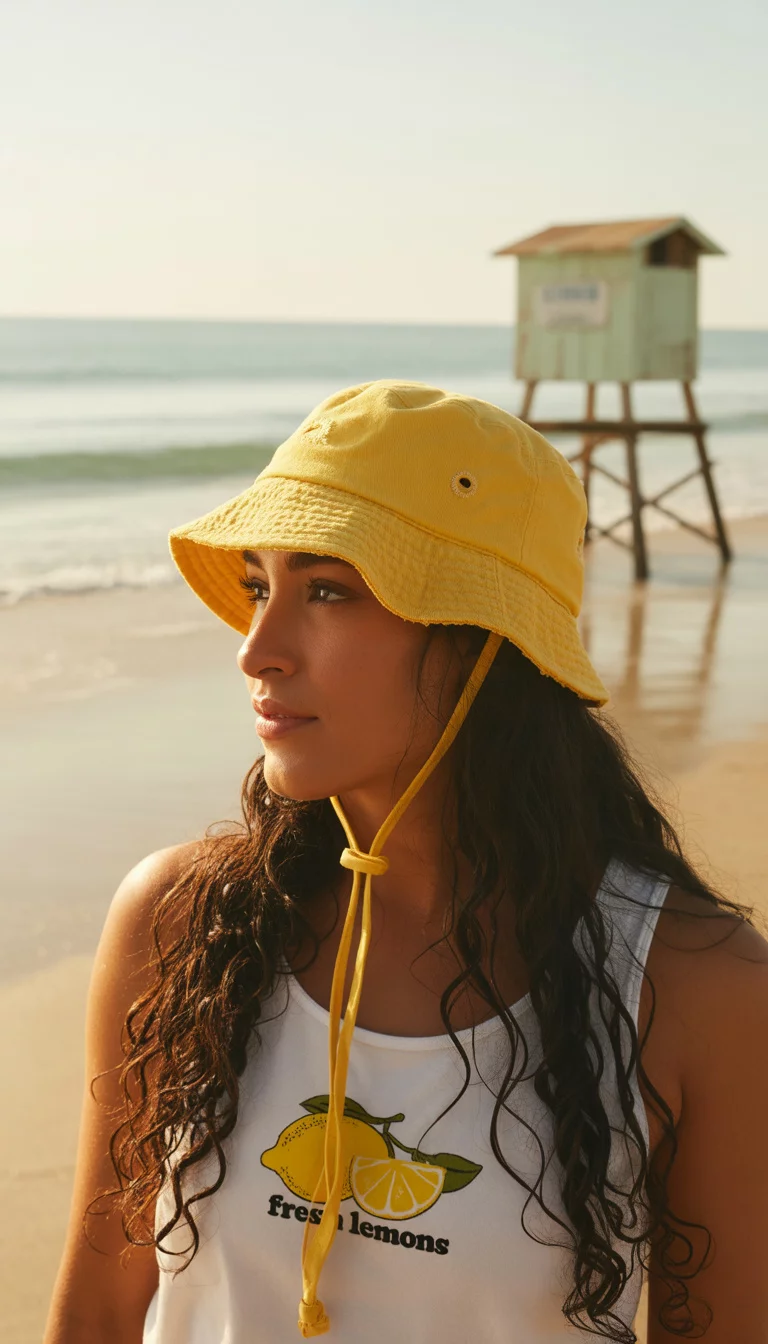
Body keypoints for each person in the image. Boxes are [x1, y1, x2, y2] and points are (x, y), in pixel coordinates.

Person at [45, 381, 768, 1344]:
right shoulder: (183, 922)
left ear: (484, 643)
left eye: (328, 592)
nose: (257, 651)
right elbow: (97, 1316)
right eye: (259, 588)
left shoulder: (693, 986)